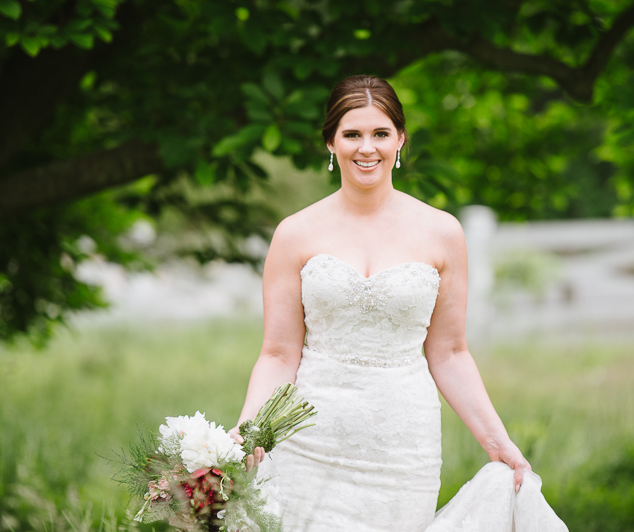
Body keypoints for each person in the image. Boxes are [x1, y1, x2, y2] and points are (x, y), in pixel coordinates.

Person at [229, 75, 567, 531]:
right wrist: (249, 430)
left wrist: (497, 440)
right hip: (311, 440)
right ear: (331, 142)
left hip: (402, 444)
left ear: (400, 140)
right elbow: (278, 353)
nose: (366, 148)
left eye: (380, 133)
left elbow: (449, 352)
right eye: (352, 134)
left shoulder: (442, 232)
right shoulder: (295, 233)